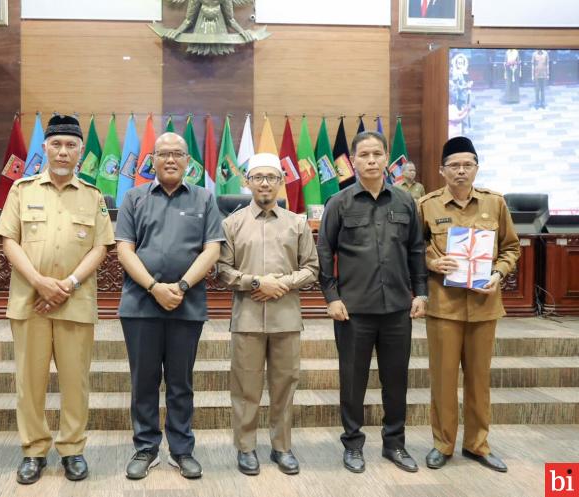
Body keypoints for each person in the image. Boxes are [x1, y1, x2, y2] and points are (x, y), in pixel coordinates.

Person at [0, 115, 114, 485]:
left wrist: (69, 284)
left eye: (71, 145)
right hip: (30, 301)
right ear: (44, 148)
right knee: (29, 382)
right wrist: (40, 282)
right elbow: (8, 241)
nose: (63, 151)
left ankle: (73, 449)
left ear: (81, 151)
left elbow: (101, 246)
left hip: (75, 304)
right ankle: (33, 450)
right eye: (56, 145)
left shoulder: (93, 195)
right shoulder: (22, 190)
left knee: (76, 381)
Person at [317, 131, 428, 474]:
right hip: (353, 311)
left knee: (396, 381)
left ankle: (395, 444)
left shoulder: (405, 202)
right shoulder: (340, 202)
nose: (370, 160)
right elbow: (324, 251)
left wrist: (421, 292)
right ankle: (352, 445)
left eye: (377, 154)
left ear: (386, 160)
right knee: (353, 382)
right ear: (352, 160)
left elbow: (416, 250)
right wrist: (331, 297)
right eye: (363, 154)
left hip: (397, 308)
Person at [116, 132, 224, 480]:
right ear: (153, 160)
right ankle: (146, 448)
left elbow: (212, 250)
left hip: (186, 304)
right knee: (143, 381)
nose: (171, 159)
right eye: (163, 154)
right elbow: (124, 250)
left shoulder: (205, 199)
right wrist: (152, 287)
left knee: (181, 382)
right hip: (140, 305)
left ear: (188, 161)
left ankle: (181, 449)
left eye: (178, 153)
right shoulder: (133, 197)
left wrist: (179, 287)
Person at [418, 136, 520, 473]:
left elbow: (511, 248)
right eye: (454, 165)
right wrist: (432, 263)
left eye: (467, 165)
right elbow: (413, 249)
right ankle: (443, 444)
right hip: (444, 307)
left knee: (479, 379)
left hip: (484, 305)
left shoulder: (496, 204)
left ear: (476, 167)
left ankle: (477, 445)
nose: (461, 171)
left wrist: (498, 272)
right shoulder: (427, 205)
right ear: (441, 170)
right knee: (444, 380)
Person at [216, 153, 319, 476]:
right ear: (246, 182)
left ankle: (281, 447)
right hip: (246, 318)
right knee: (245, 386)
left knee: (284, 384)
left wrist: (281, 284)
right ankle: (246, 448)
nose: (264, 183)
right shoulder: (231, 224)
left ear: (281, 182)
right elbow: (222, 270)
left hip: (286, 317)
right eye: (257, 177)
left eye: (271, 177)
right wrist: (256, 282)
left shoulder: (297, 222)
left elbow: (312, 268)